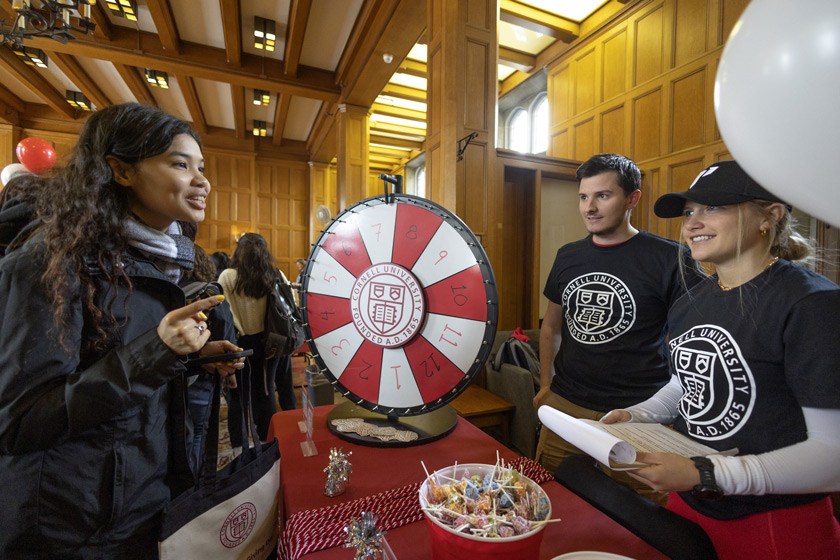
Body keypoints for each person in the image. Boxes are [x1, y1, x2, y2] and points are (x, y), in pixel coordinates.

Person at [0, 103, 244, 558]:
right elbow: (19, 422)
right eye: (179, 164)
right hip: (68, 524)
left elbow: (119, 368)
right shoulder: (48, 264)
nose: (202, 180)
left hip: (141, 499)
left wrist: (194, 356)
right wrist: (157, 351)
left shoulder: (158, 264)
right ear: (121, 170)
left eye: (202, 167)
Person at [602, 161, 840, 559]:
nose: (693, 223)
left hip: (771, 523)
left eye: (713, 208)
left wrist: (707, 472)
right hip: (689, 503)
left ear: (770, 215)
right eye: (689, 212)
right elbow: (688, 381)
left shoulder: (811, 304)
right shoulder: (692, 300)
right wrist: (637, 414)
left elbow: (832, 455)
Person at [533, 153, 698, 500]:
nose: (589, 207)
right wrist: (546, 385)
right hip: (567, 406)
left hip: (637, 412)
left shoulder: (671, 259)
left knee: (642, 518)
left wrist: (668, 409)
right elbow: (551, 328)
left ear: (632, 199)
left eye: (602, 196)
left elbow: (690, 344)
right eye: (583, 197)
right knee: (551, 498)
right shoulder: (568, 255)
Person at [219, 233, 295, 449]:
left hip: (239, 341)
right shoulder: (274, 274)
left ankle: (238, 445)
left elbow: (223, 313)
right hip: (271, 340)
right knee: (266, 390)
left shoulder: (227, 276)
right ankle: (267, 440)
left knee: (238, 394)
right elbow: (290, 304)